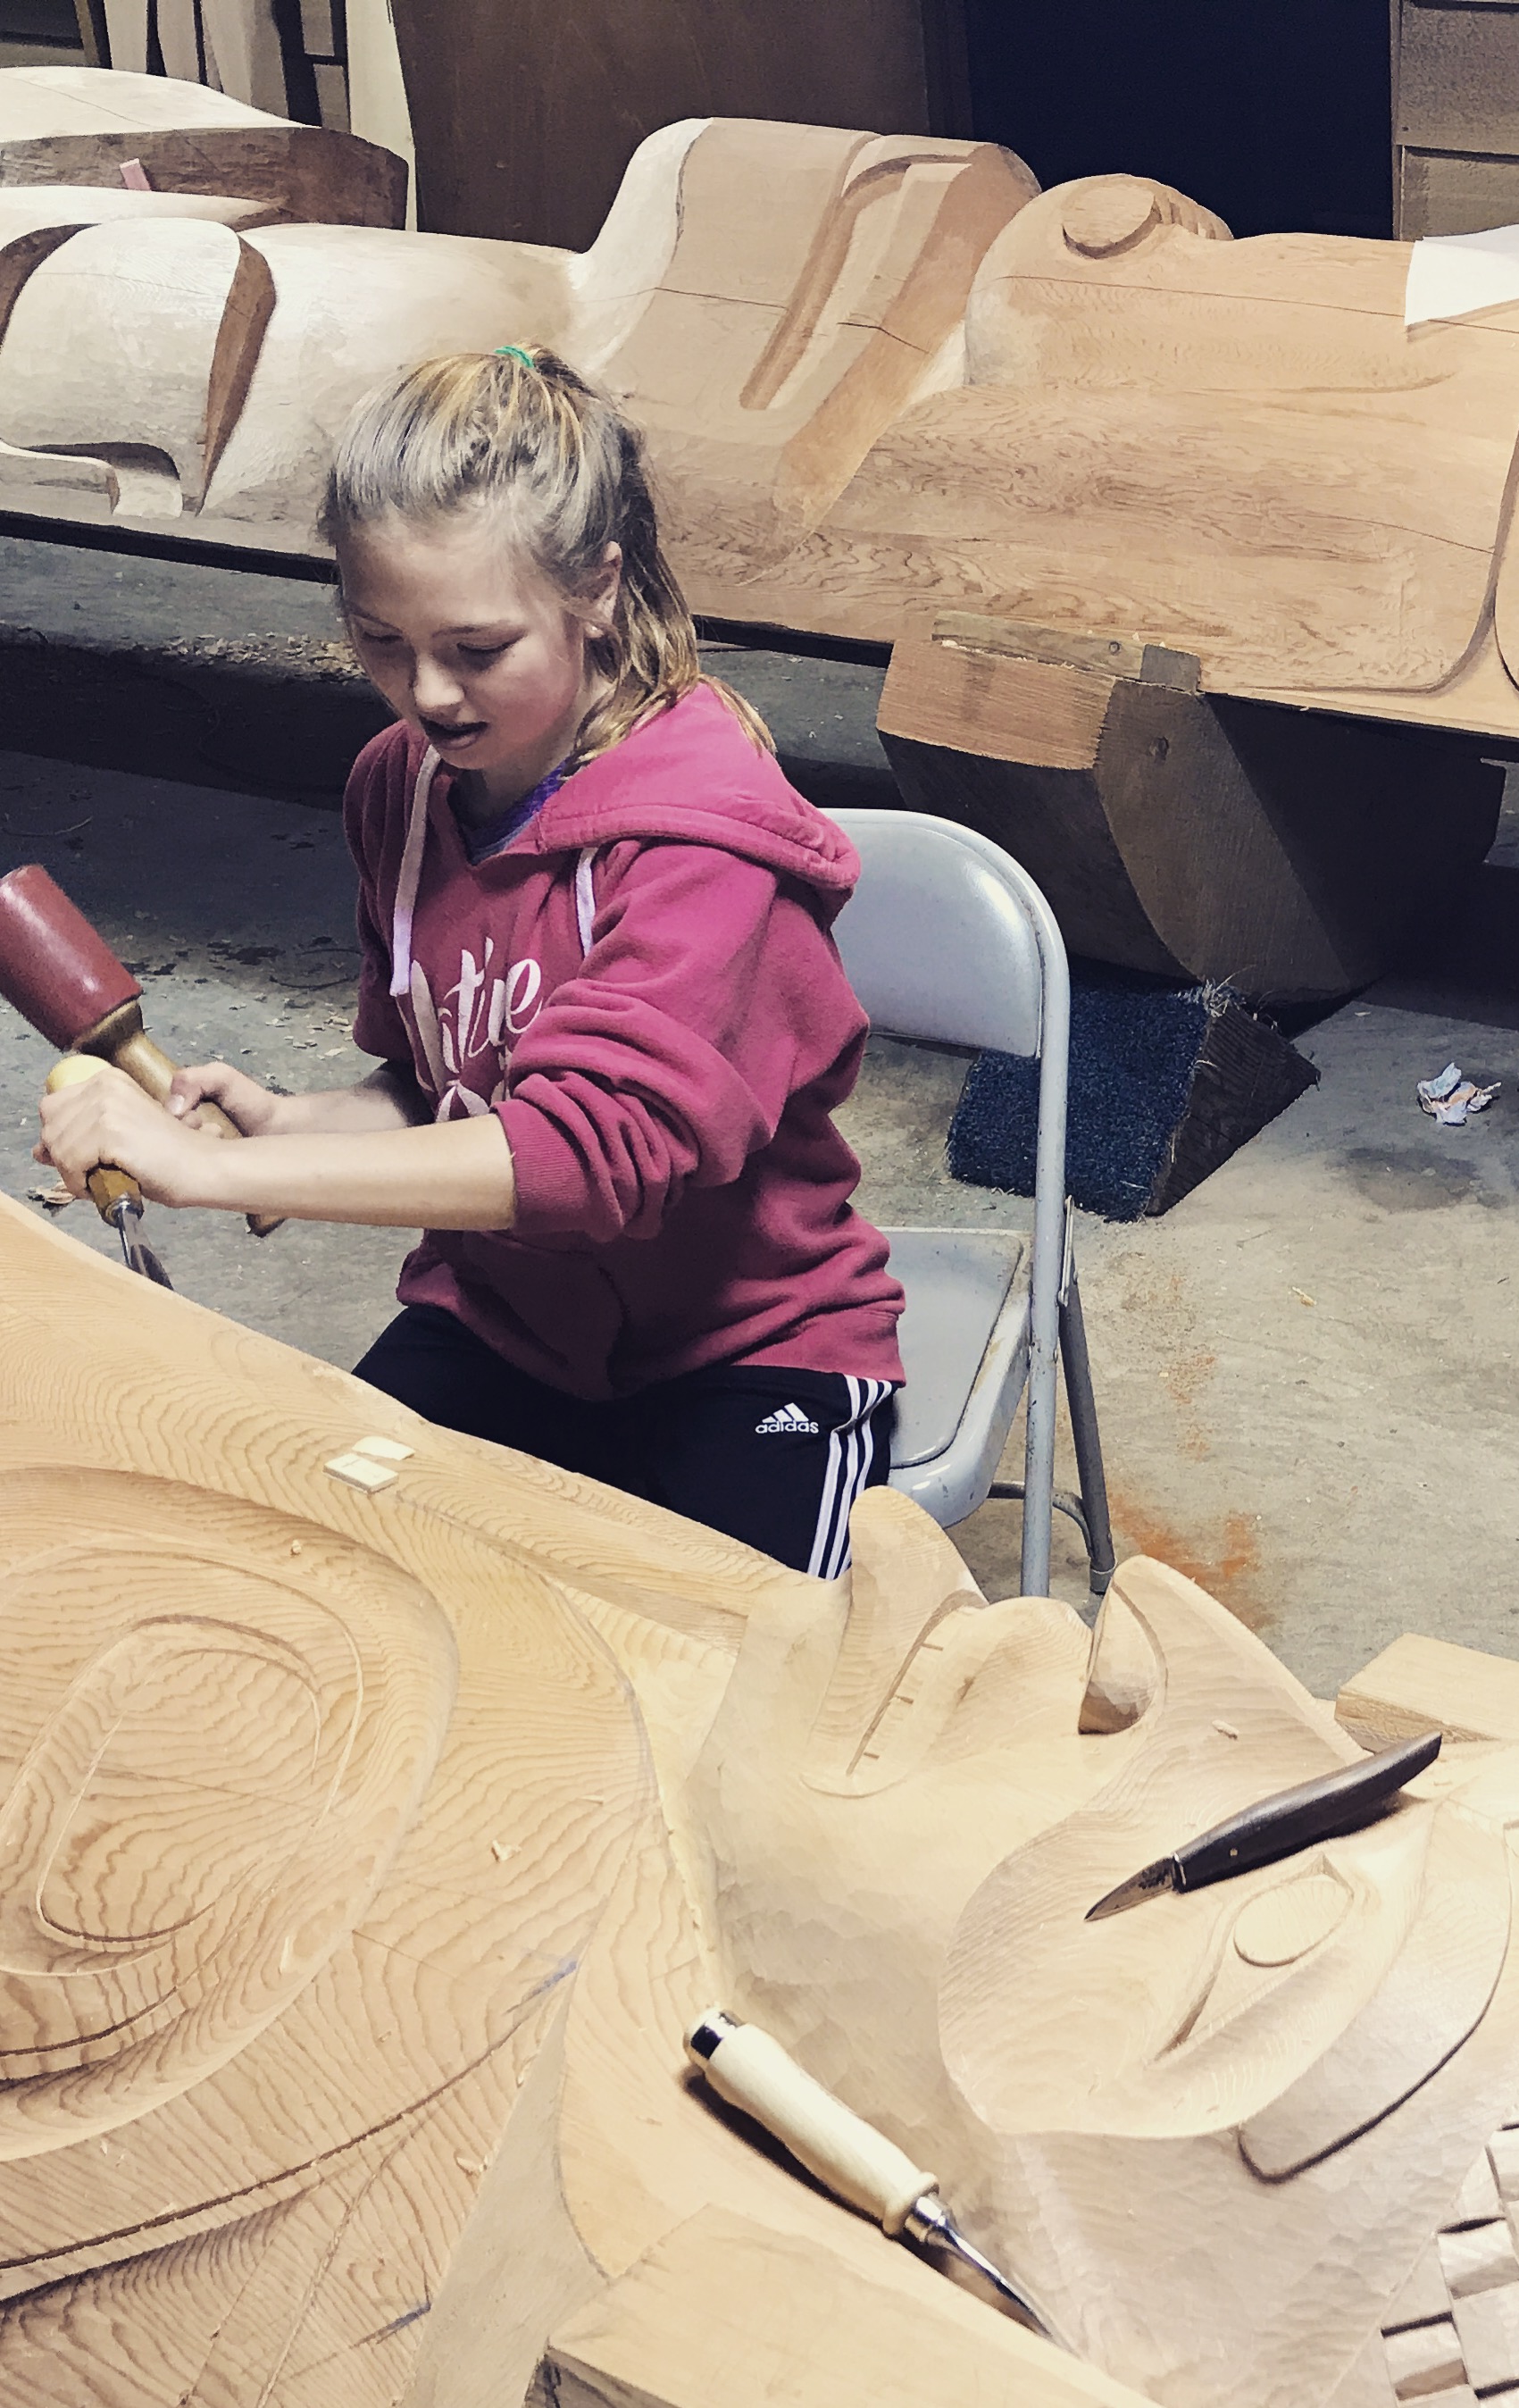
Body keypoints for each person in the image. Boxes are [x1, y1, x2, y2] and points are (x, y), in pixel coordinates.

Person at [37, 347, 905, 1577]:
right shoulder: (399, 790)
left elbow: (579, 1156)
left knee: (736, 1692)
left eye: (477, 649)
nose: (426, 694)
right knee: (324, 1577)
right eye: (379, 639)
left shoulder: (700, 836)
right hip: (511, 1326)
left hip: (747, 1350)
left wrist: (197, 1172)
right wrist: (290, 1126)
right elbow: (438, 1083)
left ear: (597, 589)